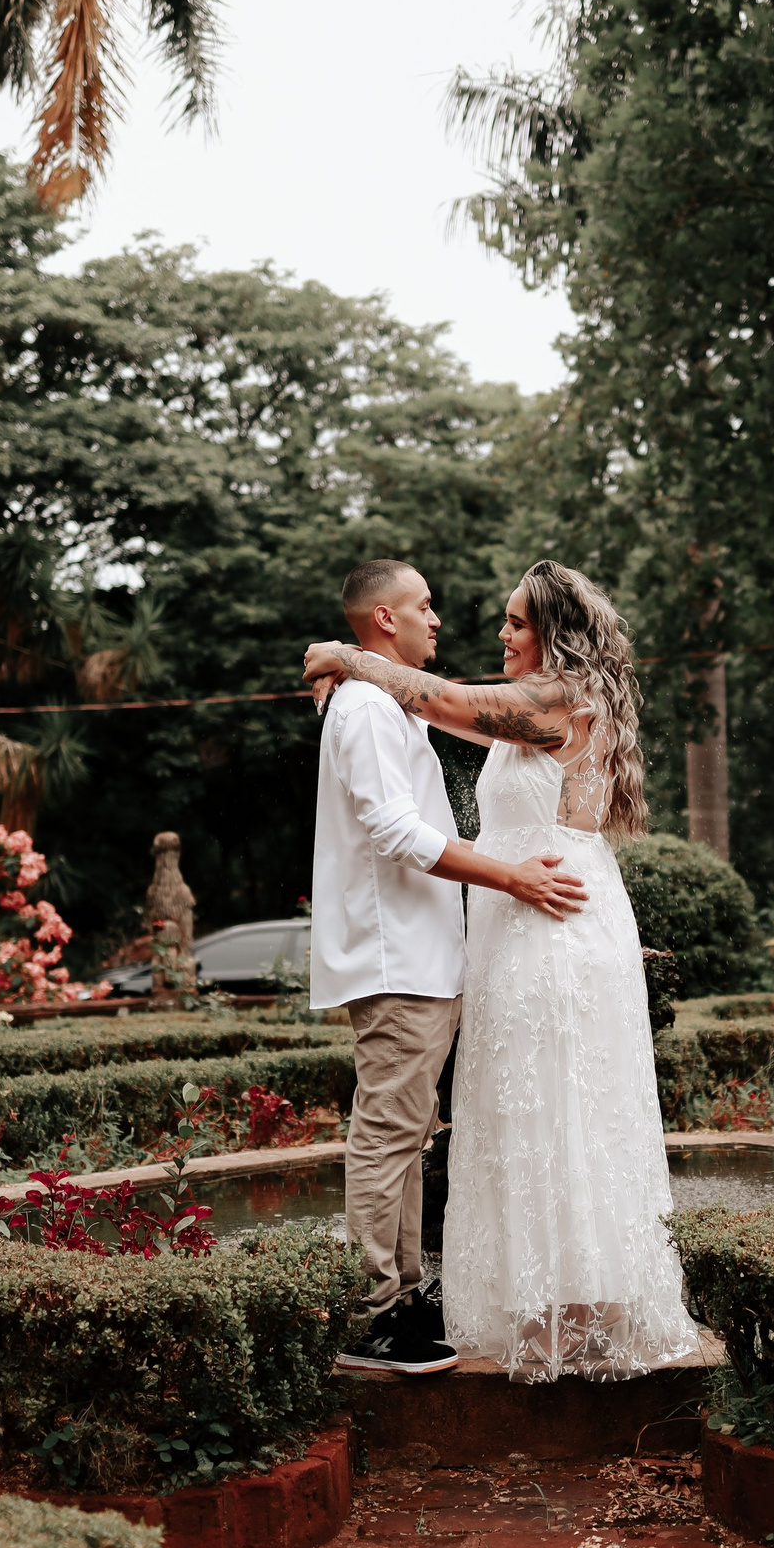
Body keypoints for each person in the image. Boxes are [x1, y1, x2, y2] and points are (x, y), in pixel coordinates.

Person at [305, 559, 701, 1382]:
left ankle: (578, 1308)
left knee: (563, 1112)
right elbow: (442, 709)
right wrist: (359, 672)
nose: (499, 633)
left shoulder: (553, 701)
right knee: (531, 1114)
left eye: (516, 622)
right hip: (525, 925)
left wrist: (346, 656)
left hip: (550, 922)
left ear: (552, 633)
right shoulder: (527, 715)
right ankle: (539, 1296)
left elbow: (443, 699)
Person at [313, 559, 589, 1375]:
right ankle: (372, 1314)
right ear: (385, 621)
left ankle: (401, 1293)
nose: (441, 620)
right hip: (395, 956)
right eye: (425, 606)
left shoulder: (394, 703)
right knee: (386, 1134)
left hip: (426, 957)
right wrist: (511, 876)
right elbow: (395, 832)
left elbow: (461, 713)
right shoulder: (364, 709)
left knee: (406, 1134)